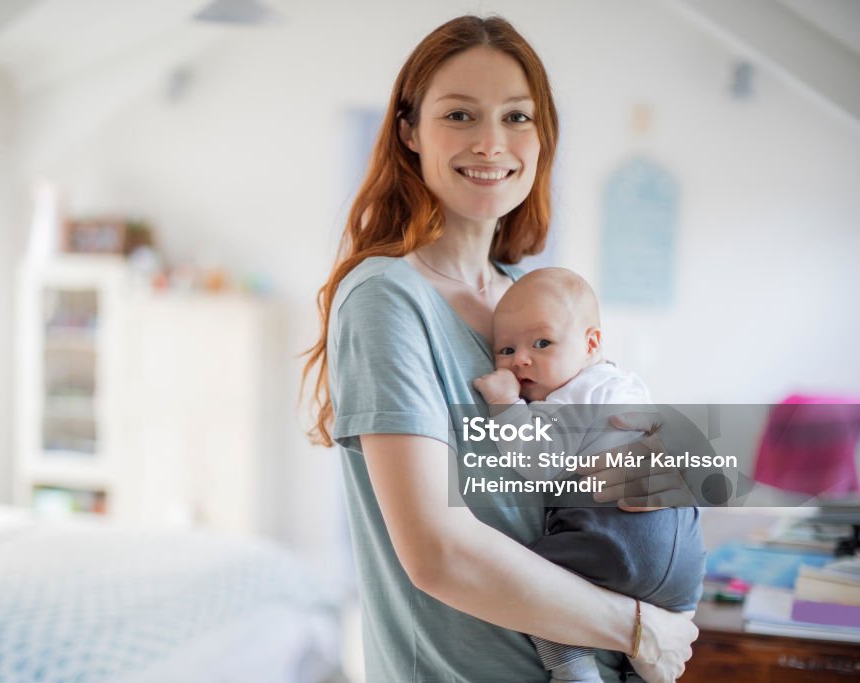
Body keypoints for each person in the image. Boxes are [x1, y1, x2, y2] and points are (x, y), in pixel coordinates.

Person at [302, 15, 698, 682]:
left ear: (542, 137)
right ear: (409, 131)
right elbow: (436, 553)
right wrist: (638, 628)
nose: (491, 142)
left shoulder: (526, 298)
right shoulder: (387, 298)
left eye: (517, 117)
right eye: (460, 114)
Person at [471, 267, 706, 683]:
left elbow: (537, 464)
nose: (521, 359)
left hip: (619, 543)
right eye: (506, 350)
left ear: (591, 342)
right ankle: (646, 666)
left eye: (542, 343)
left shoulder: (565, 400)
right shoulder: (622, 383)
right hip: (684, 561)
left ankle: (572, 669)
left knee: (531, 578)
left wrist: (506, 405)